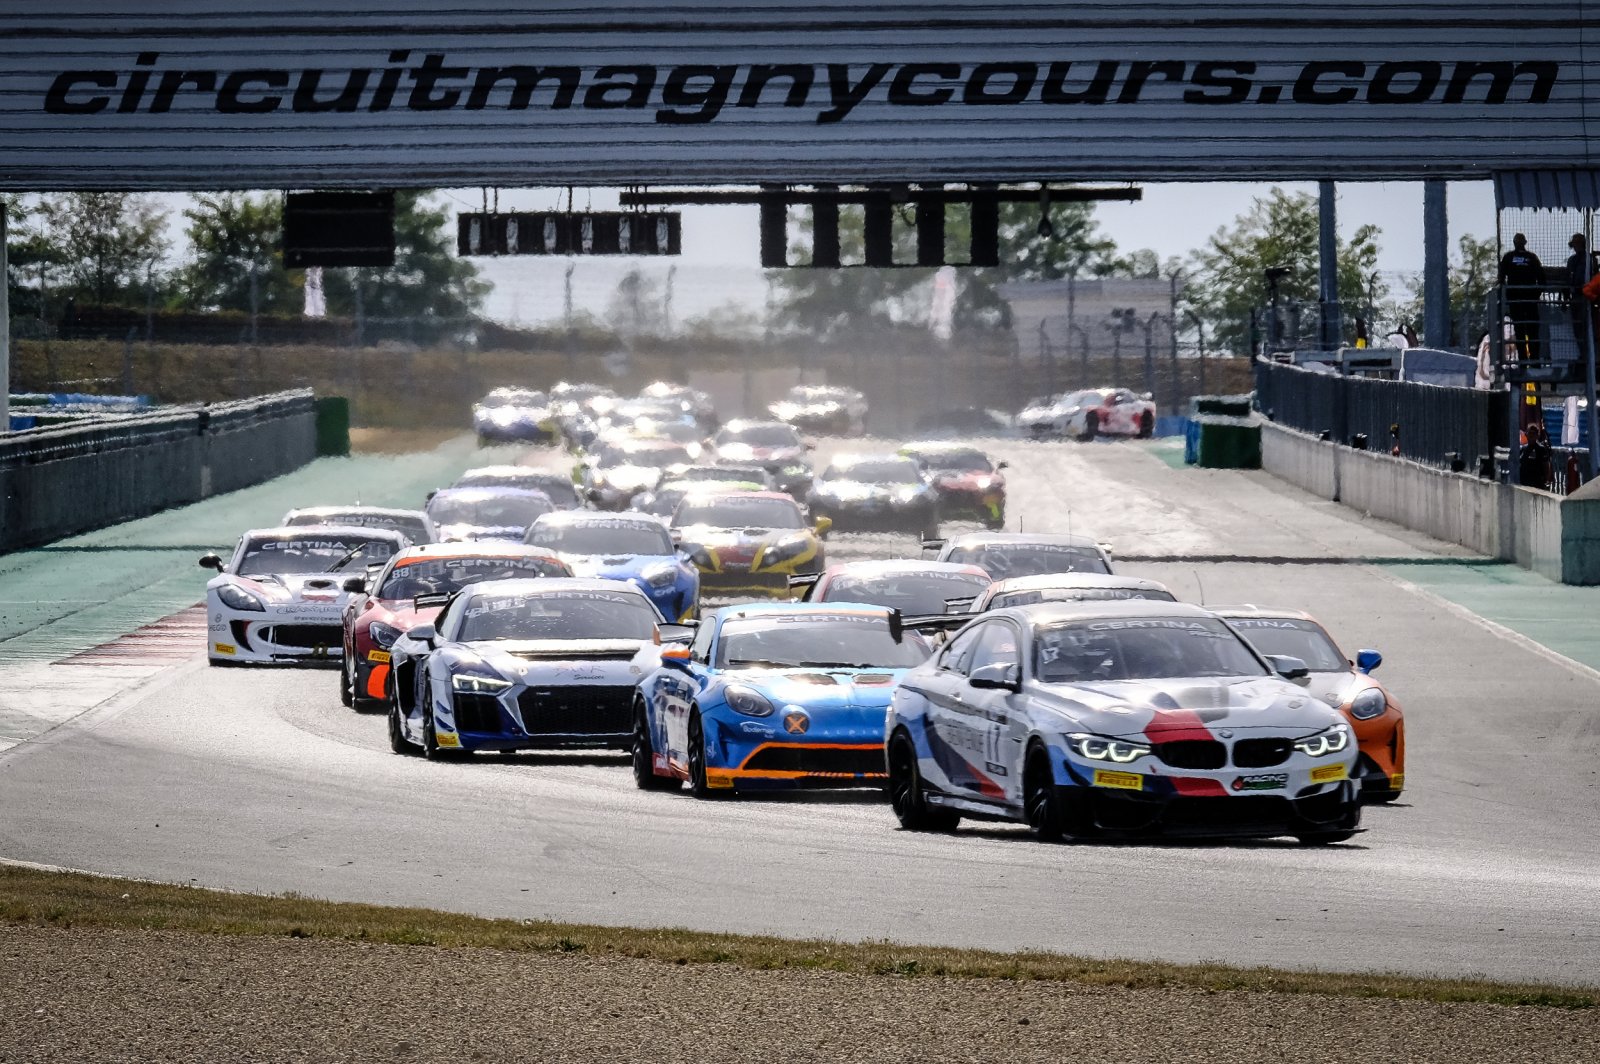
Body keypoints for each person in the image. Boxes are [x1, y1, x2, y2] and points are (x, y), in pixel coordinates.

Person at [1499, 233, 1546, 361]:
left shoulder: (1509, 257)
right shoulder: (1531, 257)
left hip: (1518, 300)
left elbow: (1501, 279)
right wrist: (1535, 294)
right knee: (1529, 331)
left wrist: (1508, 294)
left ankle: (1526, 361)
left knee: (1523, 331)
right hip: (1526, 301)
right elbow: (1542, 279)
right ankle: (1532, 360)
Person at [1565, 233, 1597, 350]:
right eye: (1574, 244)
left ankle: (1588, 352)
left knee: (1586, 325)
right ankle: (1584, 352)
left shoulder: (1589, 259)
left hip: (1585, 296)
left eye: (1577, 244)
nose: (1576, 246)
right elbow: (1567, 279)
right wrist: (1565, 296)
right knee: (1578, 326)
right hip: (1577, 296)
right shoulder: (1573, 260)